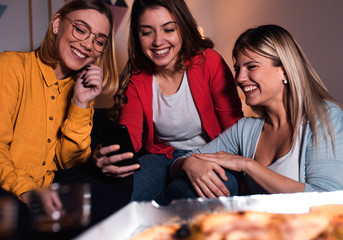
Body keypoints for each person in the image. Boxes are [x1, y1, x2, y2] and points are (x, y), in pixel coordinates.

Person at [155, 24, 343, 205]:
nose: (239, 78)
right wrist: (188, 164)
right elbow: (180, 162)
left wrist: (248, 165)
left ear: (284, 70)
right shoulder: (246, 129)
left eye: (251, 67)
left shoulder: (325, 116)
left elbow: (328, 199)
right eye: (237, 69)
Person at [0, 0, 133, 231]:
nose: (88, 44)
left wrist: (80, 103)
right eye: (81, 29)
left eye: (99, 40)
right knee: (14, 211)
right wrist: (26, 191)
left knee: (119, 182)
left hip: (49, 189)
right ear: (57, 24)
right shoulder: (10, 66)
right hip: (7, 185)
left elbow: (69, 163)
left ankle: (50, 222)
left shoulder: (80, 89)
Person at [94, 0, 243, 202]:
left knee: (214, 190)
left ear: (182, 28)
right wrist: (108, 153)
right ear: (138, 37)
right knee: (118, 193)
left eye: (168, 29)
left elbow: (234, 130)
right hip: (162, 158)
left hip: (212, 153)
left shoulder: (210, 62)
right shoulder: (136, 79)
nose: (158, 41)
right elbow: (130, 137)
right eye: (147, 32)